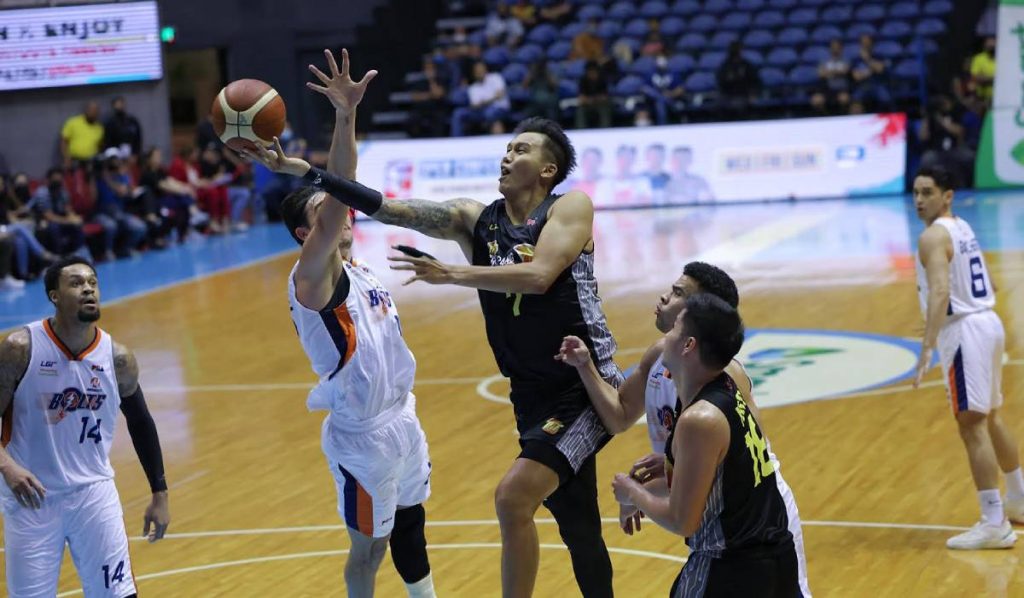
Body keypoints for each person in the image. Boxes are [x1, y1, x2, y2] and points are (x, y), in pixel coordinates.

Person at [251, 108, 620, 596]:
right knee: (579, 526)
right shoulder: (473, 220)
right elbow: (388, 207)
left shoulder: (567, 207)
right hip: (529, 392)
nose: (508, 155)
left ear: (548, 170)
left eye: (522, 149)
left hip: (583, 384)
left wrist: (453, 274)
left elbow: (539, 276)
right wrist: (309, 171)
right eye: (507, 147)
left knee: (513, 500)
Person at [244, 49, 437, 597]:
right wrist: (346, 116)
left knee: (413, 526)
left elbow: (341, 195)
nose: (341, 214)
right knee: (369, 549)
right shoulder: (312, 280)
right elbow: (341, 187)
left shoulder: (364, 270)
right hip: (362, 438)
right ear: (307, 235)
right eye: (325, 215)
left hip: (403, 418)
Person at [557, 263, 811, 596]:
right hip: (736, 526)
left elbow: (735, 467)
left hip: (751, 518)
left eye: (679, 294)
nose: (665, 296)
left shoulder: (720, 388)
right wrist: (586, 366)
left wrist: (640, 491)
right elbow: (619, 415)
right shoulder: (665, 358)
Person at [0, 256, 171, 596]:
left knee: (118, 593)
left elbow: (141, 423)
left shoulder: (117, 358)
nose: (88, 289)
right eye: (76, 283)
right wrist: (7, 466)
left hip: (94, 494)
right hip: (32, 499)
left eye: (92, 282)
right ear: (54, 296)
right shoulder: (19, 350)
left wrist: (160, 493)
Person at [616, 293, 802, 596]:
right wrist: (668, 466)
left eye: (675, 328)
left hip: (732, 566)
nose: (666, 336)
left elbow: (682, 520)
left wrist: (631, 493)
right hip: (772, 559)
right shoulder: (724, 388)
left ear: (689, 345)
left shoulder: (700, 419)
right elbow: (718, 483)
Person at [911, 165, 1024, 549]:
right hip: (987, 321)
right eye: (916, 192)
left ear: (948, 195)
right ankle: (1019, 499)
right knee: (990, 414)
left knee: (970, 423)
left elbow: (941, 290)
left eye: (928, 192)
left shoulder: (931, 237)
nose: (919, 200)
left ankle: (994, 521)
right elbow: (987, 282)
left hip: (963, 332)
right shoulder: (962, 227)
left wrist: (928, 344)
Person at [26, 169, 88, 258]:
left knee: (77, 224)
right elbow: (48, 216)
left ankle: (78, 252)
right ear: (48, 180)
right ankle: (58, 256)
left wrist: (74, 218)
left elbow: (68, 209)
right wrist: (68, 221)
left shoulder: (62, 191)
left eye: (59, 179)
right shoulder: (42, 193)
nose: (57, 182)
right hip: (39, 220)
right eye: (55, 180)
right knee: (54, 227)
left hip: (58, 218)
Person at [451, 62, 511, 137]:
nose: (479, 72)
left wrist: (484, 102)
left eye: (481, 70)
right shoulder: (473, 87)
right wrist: (490, 99)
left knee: (490, 113)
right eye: (477, 71)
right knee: (458, 113)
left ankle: (497, 139)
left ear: (485, 70)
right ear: (474, 73)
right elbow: (475, 105)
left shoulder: (495, 77)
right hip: (481, 111)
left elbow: (500, 95)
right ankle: (456, 139)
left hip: (499, 108)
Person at [810, 39, 851, 116]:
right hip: (826, 89)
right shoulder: (824, 60)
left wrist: (829, 72)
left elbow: (845, 71)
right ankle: (824, 116)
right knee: (816, 100)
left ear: (841, 48)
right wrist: (837, 72)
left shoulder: (846, 60)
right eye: (833, 47)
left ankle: (842, 116)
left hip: (841, 88)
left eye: (837, 47)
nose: (835, 49)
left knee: (844, 99)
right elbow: (821, 73)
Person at [850, 35, 891, 110]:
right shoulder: (856, 60)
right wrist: (871, 70)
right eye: (863, 43)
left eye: (867, 42)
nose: (865, 45)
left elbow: (880, 69)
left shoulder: (878, 56)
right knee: (855, 100)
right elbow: (857, 77)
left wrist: (867, 59)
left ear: (871, 44)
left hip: (877, 84)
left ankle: (884, 119)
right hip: (862, 86)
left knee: (885, 98)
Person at [61, 102, 105, 170]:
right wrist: (66, 158)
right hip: (74, 160)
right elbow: (64, 141)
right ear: (86, 110)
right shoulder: (73, 122)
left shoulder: (99, 128)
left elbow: (100, 146)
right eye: (92, 110)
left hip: (91, 161)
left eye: (96, 111)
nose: (93, 113)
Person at [970, 37, 996, 106]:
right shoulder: (978, 58)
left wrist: (984, 77)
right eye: (989, 46)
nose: (991, 48)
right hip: (983, 98)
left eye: (993, 46)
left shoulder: (1003, 58)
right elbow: (974, 77)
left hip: (1000, 96)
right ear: (985, 46)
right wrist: (994, 78)